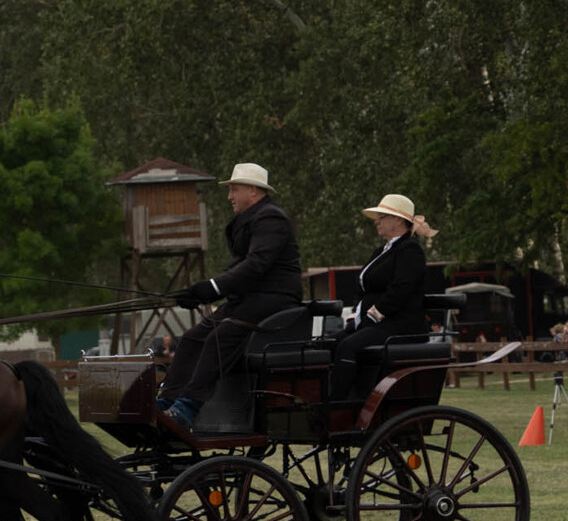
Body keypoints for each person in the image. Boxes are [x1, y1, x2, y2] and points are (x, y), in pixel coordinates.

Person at [157, 162, 301, 431]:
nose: (229, 196)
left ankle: (187, 407)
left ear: (253, 191)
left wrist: (213, 287)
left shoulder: (271, 218)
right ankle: (166, 401)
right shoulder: (250, 220)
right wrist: (199, 292)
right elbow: (238, 268)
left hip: (275, 299)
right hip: (248, 299)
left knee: (220, 336)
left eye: (234, 190)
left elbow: (256, 265)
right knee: (191, 339)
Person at [332, 193, 436, 365]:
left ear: (398, 220)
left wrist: (373, 316)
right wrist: (355, 316)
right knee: (327, 344)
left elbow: (400, 290)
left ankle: (344, 384)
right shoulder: (381, 252)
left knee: (347, 346)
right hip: (374, 324)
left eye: (381, 217)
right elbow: (363, 288)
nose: (376, 222)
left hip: (398, 325)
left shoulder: (410, 250)